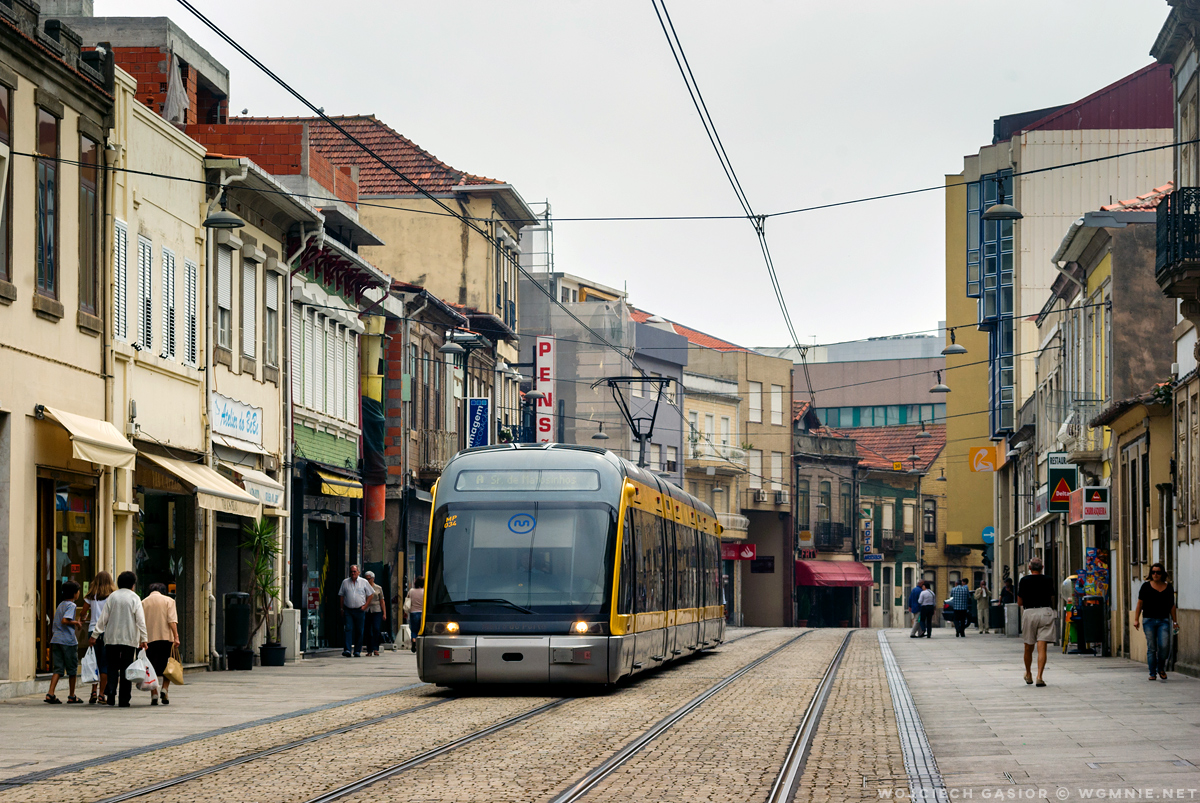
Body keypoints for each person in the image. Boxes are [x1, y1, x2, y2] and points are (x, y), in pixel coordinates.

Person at [90, 570, 148, 707]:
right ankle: (124, 699)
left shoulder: (112, 597)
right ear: (133, 585)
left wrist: (94, 635)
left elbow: (103, 618)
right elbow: (140, 621)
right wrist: (144, 638)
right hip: (129, 640)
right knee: (127, 669)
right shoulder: (135, 598)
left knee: (112, 668)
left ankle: (110, 695)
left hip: (111, 639)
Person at [1133, 563, 1178, 681]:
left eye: (1158, 572)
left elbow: (1171, 606)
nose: (1155, 574)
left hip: (1164, 620)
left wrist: (1175, 621)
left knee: (1164, 646)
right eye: (1153, 572)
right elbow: (1140, 603)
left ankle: (1161, 668)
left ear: (1162, 574)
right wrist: (1136, 619)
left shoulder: (1168, 587)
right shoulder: (1145, 587)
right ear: (1150, 574)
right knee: (1152, 647)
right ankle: (1152, 673)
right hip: (1149, 620)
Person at [1017, 557, 1056, 687]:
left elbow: (1019, 602)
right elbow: (1052, 597)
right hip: (1045, 612)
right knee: (1042, 647)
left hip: (1030, 613)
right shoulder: (1048, 580)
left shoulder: (1024, 580)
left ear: (1029, 568)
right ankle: (1040, 676)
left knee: (1028, 646)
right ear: (1042, 568)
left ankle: (1028, 674)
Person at [45, 581, 84, 704]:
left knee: (58, 669)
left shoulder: (60, 604)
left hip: (56, 639)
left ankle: (50, 693)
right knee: (72, 669)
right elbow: (64, 620)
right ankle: (72, 695)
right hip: (68, 641)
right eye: (78, 591)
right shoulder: (71, 605)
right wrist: (76, 623)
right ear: (75, 593)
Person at [142, 583, 179, 705]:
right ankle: (165, 689)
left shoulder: (143, 602)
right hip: (166, 638)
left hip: (149, 639)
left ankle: (154, 694)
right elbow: (172, 621)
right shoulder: (169, 601)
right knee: (167, 666)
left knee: (151, 667)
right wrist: (176, 637)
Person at [84, 571, 115, 704]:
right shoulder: (112, 597)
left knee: (94, 662)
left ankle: (93, 691)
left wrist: (83, 618)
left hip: (92, 631)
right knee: (104, 664)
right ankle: (102, 694)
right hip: (106, 632)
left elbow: (84, 612)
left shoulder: (91, 596)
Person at [338, 565, 373, 658]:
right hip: (348, 610)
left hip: (359, 610)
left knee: (359, 630)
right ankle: (347, 650)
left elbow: (371, 594)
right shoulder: (345, 582)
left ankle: (357, 650)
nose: (353, 573)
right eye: (351, 572)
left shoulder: (364, 582)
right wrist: (341, 608)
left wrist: (365, 606)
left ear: (358, 572)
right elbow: (341, 595)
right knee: (348, 629)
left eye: (354, 571)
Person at [364, 570, 386, 656]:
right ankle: (369, 649)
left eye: (369, 579)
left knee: (376, 629)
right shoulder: (363, 587)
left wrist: (384, 613)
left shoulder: (378, 588)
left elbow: (382, 601)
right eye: (366, 579)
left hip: (376, 610)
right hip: (367, 610)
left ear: (373, 579)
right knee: (368, 630)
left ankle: (376, 648)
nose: (367, 581)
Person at [405, 577, 425, 653]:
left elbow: (407, 602)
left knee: (414, 629)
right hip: (423, 613)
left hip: (413, 612)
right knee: (421, 629)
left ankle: (413, 640)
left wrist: (405, 612)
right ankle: (420, 644)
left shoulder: (411, 591)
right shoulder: (424, 592)